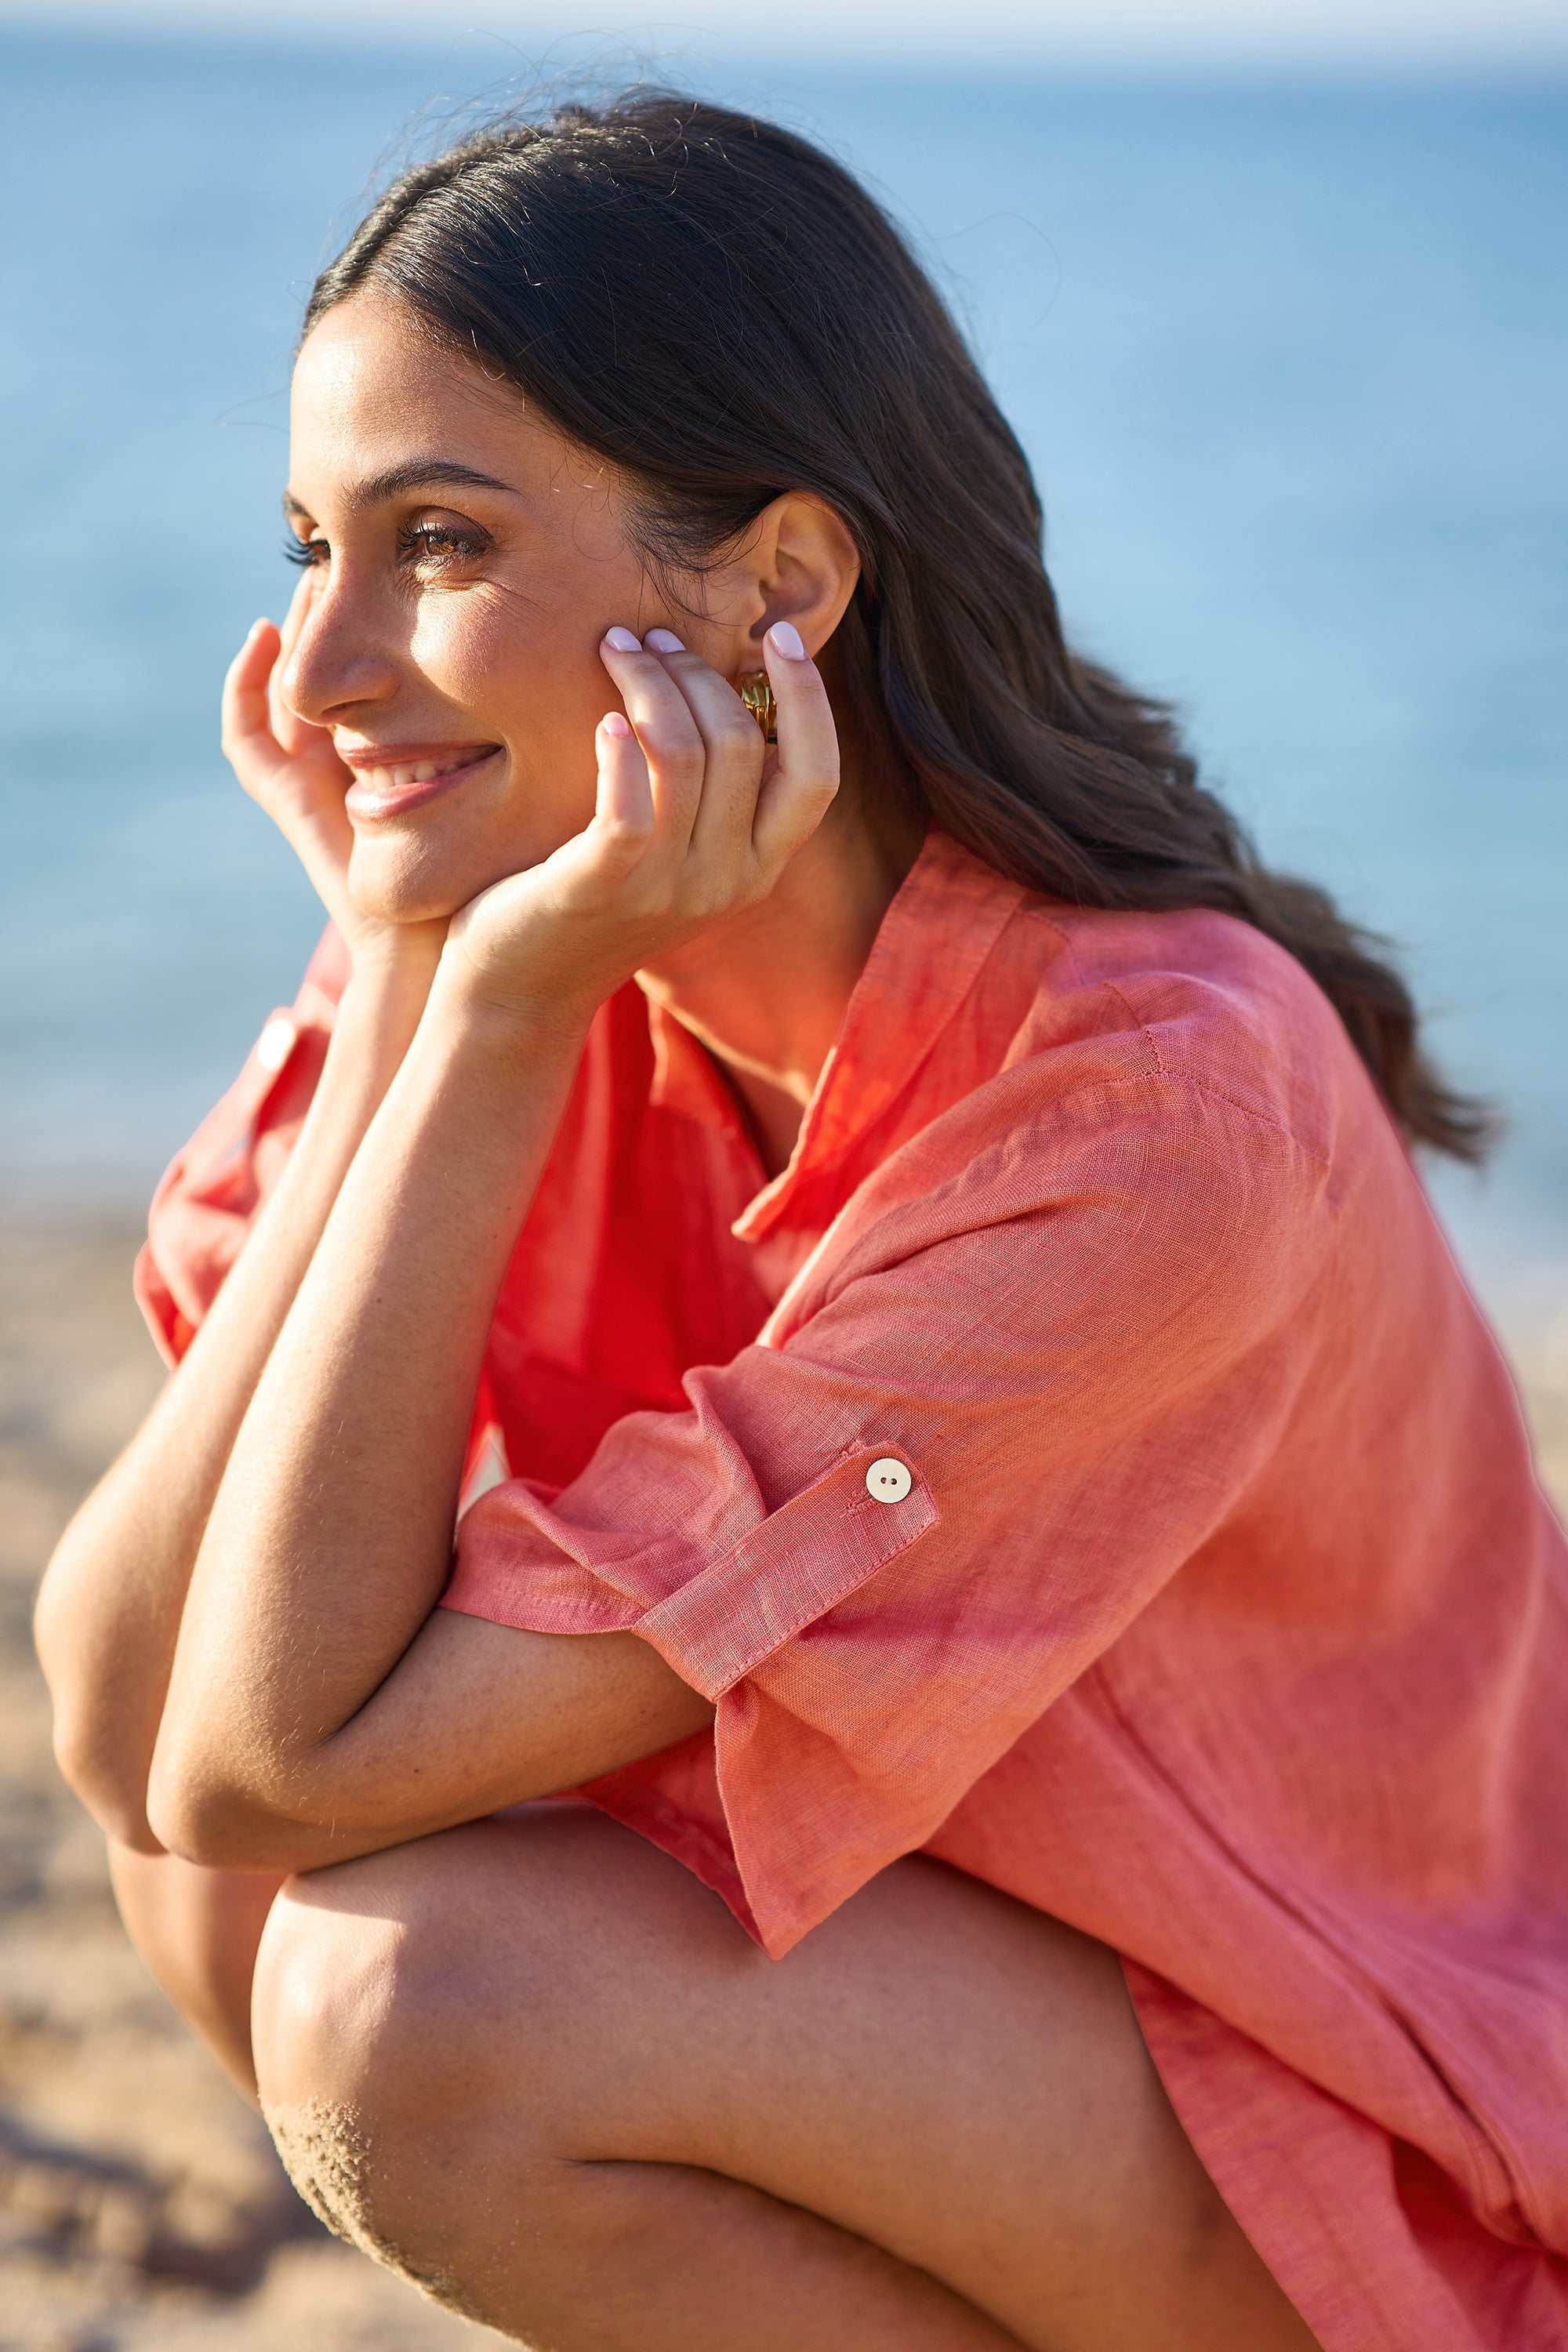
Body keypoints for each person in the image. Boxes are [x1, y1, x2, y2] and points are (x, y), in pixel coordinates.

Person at [33, 91, 1567, 2352]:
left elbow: (269, 1752)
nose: (324, 663)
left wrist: (487, 995)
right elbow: (142, 1725)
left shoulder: (1143, 1104)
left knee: (416, 2000)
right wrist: (412, 993)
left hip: (1340, 2126)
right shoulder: (540, 936)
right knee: (232, 1899)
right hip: (938, 2024)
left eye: (437, 542)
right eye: (306, 545)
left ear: (776, 589)